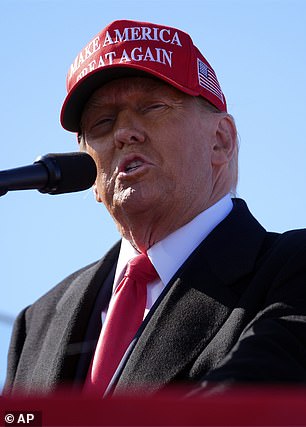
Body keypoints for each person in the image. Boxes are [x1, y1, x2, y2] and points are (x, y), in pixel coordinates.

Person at [4, 19, 306, 397]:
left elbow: (243, 407)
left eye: (151, 107)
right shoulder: (39, 321)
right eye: (102, 121)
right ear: (90, 174)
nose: (124, 132)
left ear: (221, 142)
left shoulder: (292, 271)